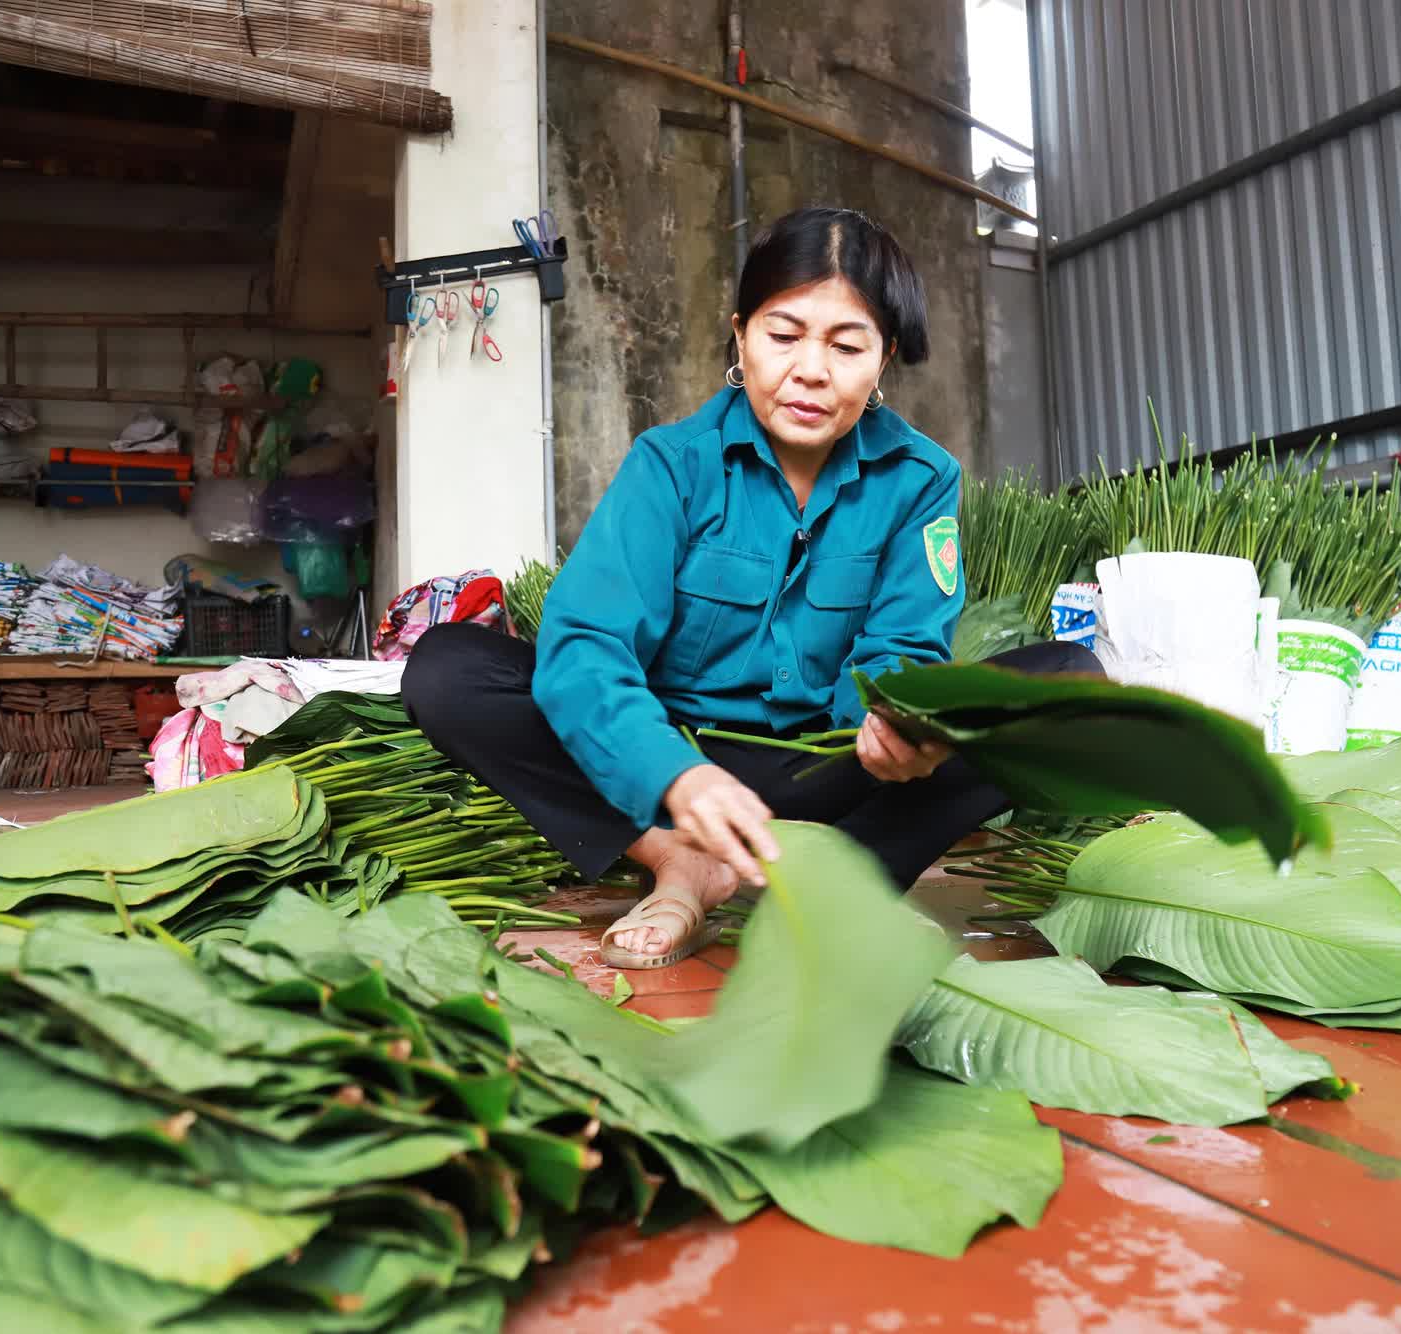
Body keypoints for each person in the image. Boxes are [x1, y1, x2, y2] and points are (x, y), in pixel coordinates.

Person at [405, 206, 1096, 970]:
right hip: (678, 776)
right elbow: (587, 644)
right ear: (741, 337)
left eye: (846, 344)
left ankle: (842, 880)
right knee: (452, 671)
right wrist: (676, 775)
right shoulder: (672, 465)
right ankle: (681, 862)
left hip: (831, 771)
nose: (810, 369)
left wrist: (907, 724)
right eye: (783, 334)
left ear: (883, 358)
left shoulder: (920, 479)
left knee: (1065, 684)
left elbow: (905, 646)